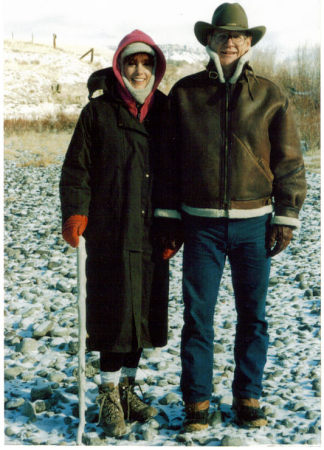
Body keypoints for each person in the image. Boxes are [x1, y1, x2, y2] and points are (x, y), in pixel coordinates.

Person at [154, 3, 307, 431]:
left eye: (239, 36)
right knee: (197, 316)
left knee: (252, 315)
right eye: (222, 35)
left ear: (249, 42)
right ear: (210, 40)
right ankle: (197, 402)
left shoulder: (272, 95)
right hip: (199, 225)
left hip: (253, 224)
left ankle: (248, 396)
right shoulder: (185, 94)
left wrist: (286, 215)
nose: (231, 42)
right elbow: (167, 162)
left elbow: (290, 161)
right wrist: (168, 218)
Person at [60, 29, 171, 437]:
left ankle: (127, 388)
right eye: (131, 62)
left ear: (156, 68)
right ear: (119, 66)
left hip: (152, 230)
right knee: (113, 312)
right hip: (109, 230)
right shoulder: (98, 113)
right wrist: (75, 213)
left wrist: (173, 226)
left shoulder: (165, 110)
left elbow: (177, 172)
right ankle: (107, 393)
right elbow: (77, 169)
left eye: (146, 63)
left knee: (142, 311)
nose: (139, 70)